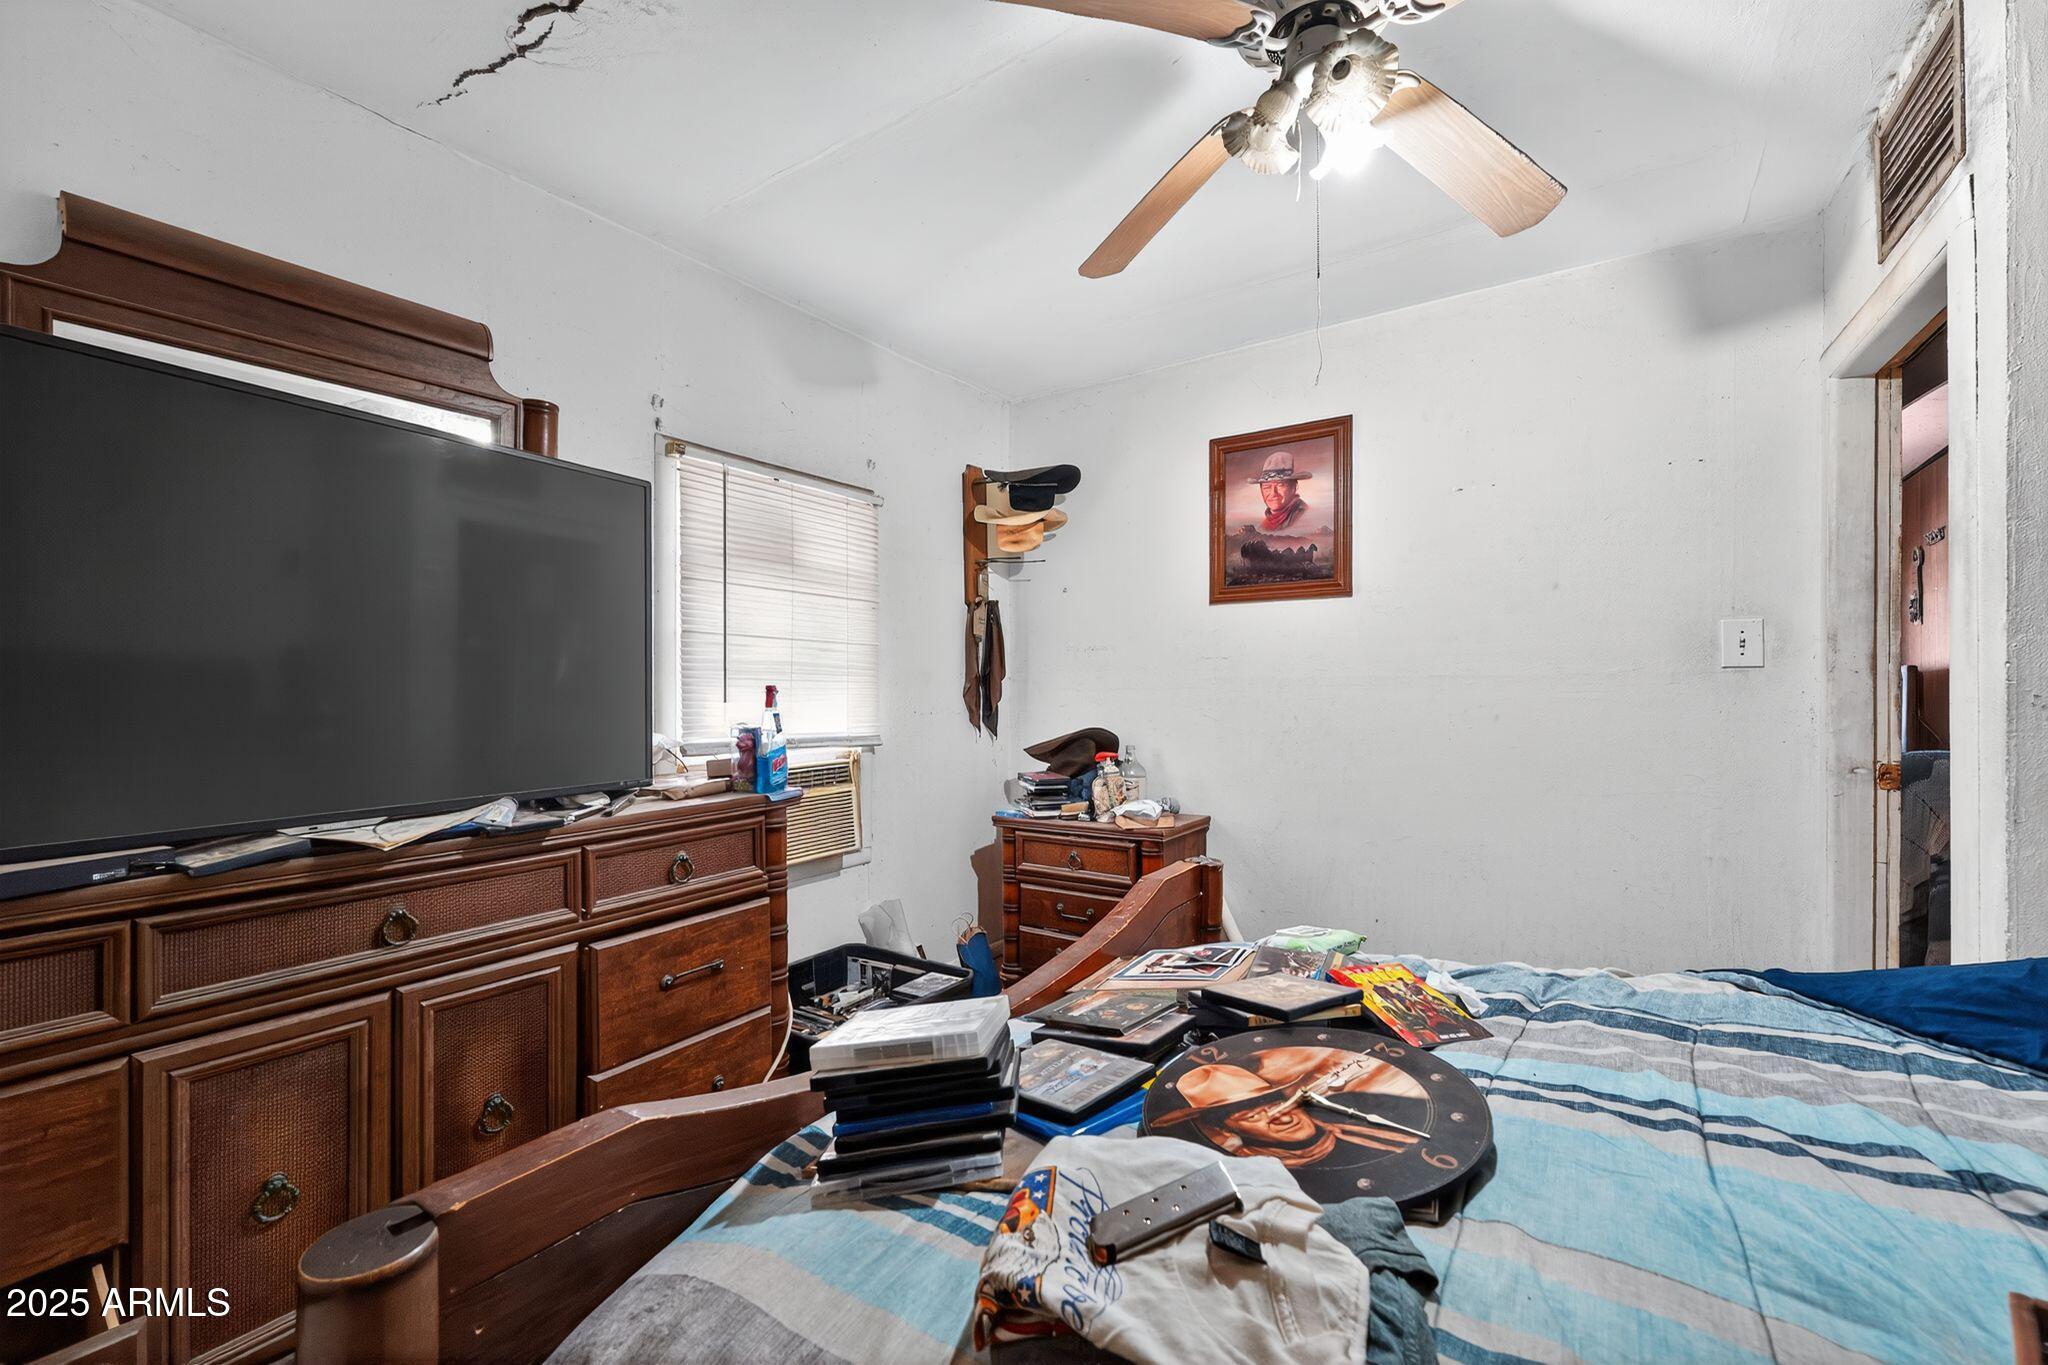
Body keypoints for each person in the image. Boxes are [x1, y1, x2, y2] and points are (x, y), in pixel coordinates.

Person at [1248, 449, 1313, 533]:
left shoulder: (1303, 516)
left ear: (1294, 487)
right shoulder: (1265, 524)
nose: (1273, 493)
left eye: (1280, 485)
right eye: (1267, 487)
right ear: (1261, 490)